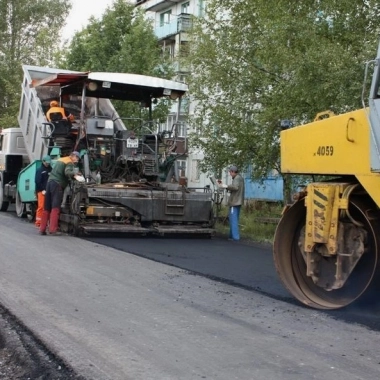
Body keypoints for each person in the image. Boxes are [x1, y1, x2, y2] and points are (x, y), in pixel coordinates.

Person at [39, 151, 82, 236]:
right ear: (73, 156)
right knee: (55, 207)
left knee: (47, 207)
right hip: (57, 185)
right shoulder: (69, 162)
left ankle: (42, 229)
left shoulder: (61, 159)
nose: (77, 160)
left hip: (49, 183)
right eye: (77, 158)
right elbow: (67, 172)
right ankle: (53, 230)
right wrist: (76, 174)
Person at [219, 165, 245, 241]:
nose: (230, 174)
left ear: (233, 171)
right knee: (233, 218)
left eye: (230, 172)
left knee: (233, 220)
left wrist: (226, 186)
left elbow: (235, 187)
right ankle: (231, 236)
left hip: (235, 202)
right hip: (238, 201)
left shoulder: (237, 178)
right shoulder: (240, 177)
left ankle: (235, 237)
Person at [34, 155, 52, 228]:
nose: (47, 164)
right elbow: (37, 181)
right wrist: (42, 190)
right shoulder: (40, 170)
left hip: (49, 191)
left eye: (48, 162)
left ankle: (46, 222)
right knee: (41, 207)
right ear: (43, 161)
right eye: (46, 162)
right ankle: (38, 222)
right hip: (41, 191)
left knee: (48, 207)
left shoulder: (51, 169)